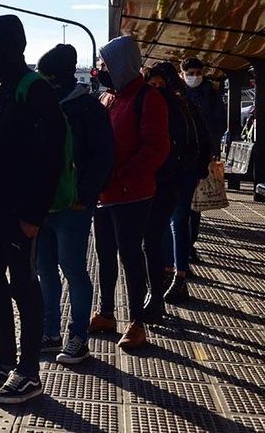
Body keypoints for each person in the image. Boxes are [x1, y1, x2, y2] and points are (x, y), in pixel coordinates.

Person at [0, 15, 65, 404]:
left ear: (10, 46)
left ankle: (28, 371)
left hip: (20, 215)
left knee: (24, 286)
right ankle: (4, 360)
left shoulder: (33, 89)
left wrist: (34, 215)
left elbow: (50, 157)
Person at [88, 36, 169, 350]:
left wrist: (122, 176)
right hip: (104, 193)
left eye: (105, 63)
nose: (101, 69)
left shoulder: (148, 98)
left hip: (132, 194)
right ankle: (107, 312)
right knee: (105, 254)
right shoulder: (108, 97)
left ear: (122, 64)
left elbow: (156, 148)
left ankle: (137, 322)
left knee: (131, 256)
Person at [35, 44, 114, 364]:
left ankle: (78, 336)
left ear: (58, 77)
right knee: (45, 270)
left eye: (46, 76)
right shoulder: (43, 105)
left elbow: (103, 156)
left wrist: (85, 196)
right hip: (42, 205)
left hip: (72, 206)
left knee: (73, 270)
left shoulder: (88, 108)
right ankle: (50, 332)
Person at [144, 62, 210, 308]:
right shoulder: (185, 105)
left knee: (173, 223)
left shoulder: (171, 106)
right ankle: (173, 274)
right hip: (176, 174)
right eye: (153, 84)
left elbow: (202, 139)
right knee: (172, 224)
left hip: (176, 175)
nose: (158, 88)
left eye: (161, 84)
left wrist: (198, 168)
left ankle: (175, 274)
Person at [180, 58, 225, 264]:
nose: (194, 77)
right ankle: (183, 247)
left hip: (202, 156)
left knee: (195, 204)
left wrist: (212, 148)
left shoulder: (211, 94)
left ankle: (189, 244)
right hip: (182, 155)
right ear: (183, 74)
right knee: (182, 206)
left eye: (198, 73)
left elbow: (219, 123)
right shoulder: (178, 92)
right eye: (190, 73)